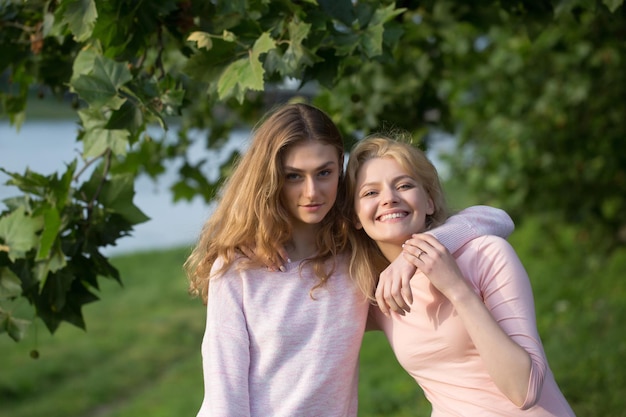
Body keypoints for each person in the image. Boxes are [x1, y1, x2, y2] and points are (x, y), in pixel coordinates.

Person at [185, 103, 514, 417]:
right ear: (270, 179)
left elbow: (494, 217)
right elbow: (224, 397)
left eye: (324, 172)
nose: (312, 191)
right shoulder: (238, 269)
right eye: (294, 176)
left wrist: (412, 256)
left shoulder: (354, 257)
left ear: (339, 172)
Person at [344, 133, 576, 416]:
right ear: (355, 216)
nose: (390, 199)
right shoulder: (378, 292)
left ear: (428, 202)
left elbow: (523, 390)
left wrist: (455, 287)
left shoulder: (484, 255)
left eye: (404, 185)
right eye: (370, 193)